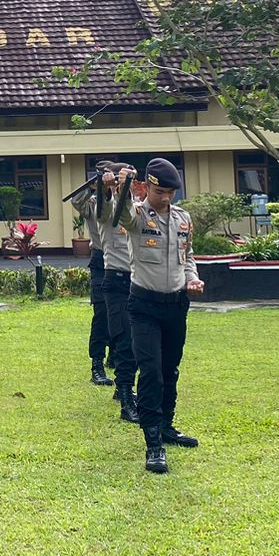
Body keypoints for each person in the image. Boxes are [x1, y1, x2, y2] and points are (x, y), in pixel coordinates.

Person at [114, 157, 203, 474]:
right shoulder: (137, 215)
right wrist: (124, 187)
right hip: (144, 307)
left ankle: (167, 425)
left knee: (169, 370)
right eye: (160, 191)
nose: (165, 198)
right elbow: (121, 213)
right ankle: (153, 444)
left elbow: (187, 256)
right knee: (150, 372)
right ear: (148, 185)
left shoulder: (183, 219)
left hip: (176, 305)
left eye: (170, 192)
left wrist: (192, 277)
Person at [92, 164, 140, 423]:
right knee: (123, 340)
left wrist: (128, 186)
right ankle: (124, 395)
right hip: (116, 281)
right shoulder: (106, 210)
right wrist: (106, 187)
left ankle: (127, 388)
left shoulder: (137, 208)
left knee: (138, 342)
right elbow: (104, 209)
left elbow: (133, 212)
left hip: (139, 282)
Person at [83, 162, 113, 387]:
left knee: (124, 313)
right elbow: (77, 202)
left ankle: (117, 355)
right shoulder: (93, 203)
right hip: (101, 260)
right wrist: (92, 187)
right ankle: (97, 364)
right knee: (102, 313)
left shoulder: (130, 203)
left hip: (124, 263)